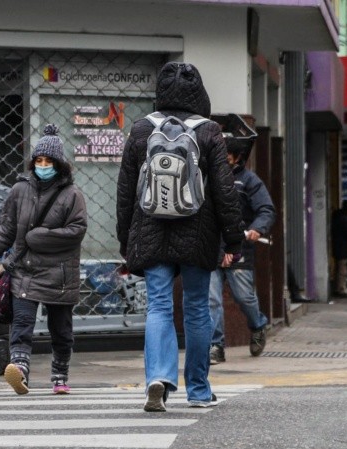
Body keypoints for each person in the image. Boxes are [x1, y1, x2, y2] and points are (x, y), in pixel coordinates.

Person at [116, 62, 244, 412]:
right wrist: (233, 240)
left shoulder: (141, 130)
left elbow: (126, 190)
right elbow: (224, 191)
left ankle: (157, 377)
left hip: (150, 228)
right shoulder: (209, 132)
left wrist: (125, 239)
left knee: (158, 306)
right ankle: (199, 390)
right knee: (197, 309)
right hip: (198, 233)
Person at [0, 124, 87, 395]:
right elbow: (6, 228)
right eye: (39, 160)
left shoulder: (73, 195)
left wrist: (39, 237)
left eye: (48, 161)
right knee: (21, 323)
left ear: (59, 164)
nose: (43, 165)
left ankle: (60, 374)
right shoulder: (19, 190)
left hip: (60, 273)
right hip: (25, 269)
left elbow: (77, 231)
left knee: (61, 330)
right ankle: (19, 369)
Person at [208, 139, 274, 365]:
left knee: (244, 297)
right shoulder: (206, 176)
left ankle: (257, 325)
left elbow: (265, 209)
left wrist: (257, 227)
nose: (223, 159)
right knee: (211, 300)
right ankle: (216, 345)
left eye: (227, 155)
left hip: (239, 246)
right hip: (210, 248)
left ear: (237, 157)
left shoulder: (249, 180)